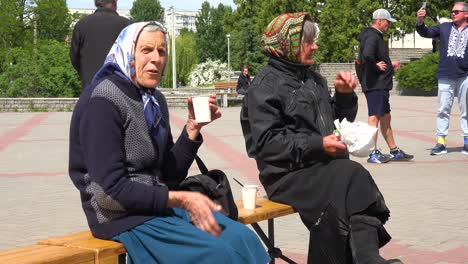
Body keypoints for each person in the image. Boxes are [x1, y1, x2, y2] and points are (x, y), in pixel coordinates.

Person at [69, 21, 270, 264]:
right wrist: (180, 199)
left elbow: (167, 175)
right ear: (127, 52)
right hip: (120, 218)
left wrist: (192, 130)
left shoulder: (154, 101)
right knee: (219, 256)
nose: (156, 58)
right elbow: (110, 193)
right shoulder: (103, 100)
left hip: (157, 208)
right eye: (146, 50)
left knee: (244, 241)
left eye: (161, 51)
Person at [241, 12, 402, 264]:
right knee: (351, 176)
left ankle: (367, 258)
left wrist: (344, 95)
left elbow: (337, 122)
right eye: (308, 41)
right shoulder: (264, 86)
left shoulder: (312, 79)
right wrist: (320, 144)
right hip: (286, 174)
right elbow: (266, 144)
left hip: (323, 167)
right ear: (289, 45)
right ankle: (368, 258)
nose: (315, 46)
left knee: (347, 188)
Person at [356, 9, 414, 163]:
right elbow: (368, 55)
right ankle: (373, 153)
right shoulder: (373, 36)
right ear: (379, 21)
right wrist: (376, 67)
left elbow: (372, 56)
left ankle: (394, 151)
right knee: (374, 116)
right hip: (376, 84)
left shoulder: (373, 35)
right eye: (388, 22)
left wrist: (389, 64)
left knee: (385, 116)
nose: (389, 25)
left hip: (378, 84)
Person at [416, 2, 468, 155]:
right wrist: (420, 21)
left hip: (465, 75)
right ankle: (440, 143)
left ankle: (466, 142)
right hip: (445, 74)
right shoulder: (444, 27)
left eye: (457, 11)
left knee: (466, 110)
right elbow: (425, 32)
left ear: (466, 14)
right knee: (443, 110)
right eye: (452, 11)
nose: (453, 13)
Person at [70, 0, 131, 89]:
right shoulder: (127, 26)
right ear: (115, 3)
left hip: (90, 88)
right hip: (120, 89)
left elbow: (74, 58)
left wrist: (85, 73)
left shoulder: (82, 25)